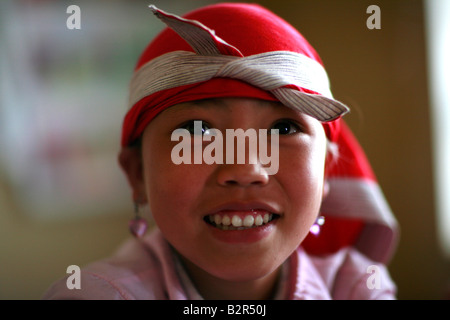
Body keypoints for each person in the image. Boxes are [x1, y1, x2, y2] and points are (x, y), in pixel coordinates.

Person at [43, 3, 398, 300]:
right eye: (198, 131)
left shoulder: (357, 287)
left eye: (284, 129)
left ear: (325, 171)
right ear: (137, 174)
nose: (245, 169)